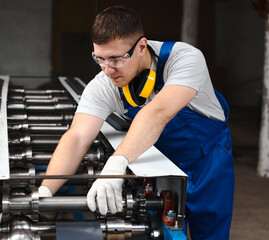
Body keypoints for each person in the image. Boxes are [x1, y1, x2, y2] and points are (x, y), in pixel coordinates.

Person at [39, 5, 235, 240]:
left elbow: (158, 113)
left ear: (141, 46)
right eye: (99, 58)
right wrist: (46, 191)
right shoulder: (104, 84)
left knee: (212, 233)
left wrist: (116, 164)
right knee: (163, 233)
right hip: (159, 164)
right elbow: (77, 137)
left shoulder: (184, 59)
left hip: (208, 161)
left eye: (116, 59)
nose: (107, 69)